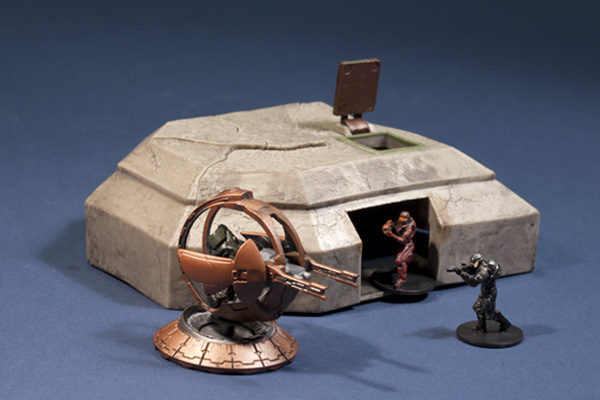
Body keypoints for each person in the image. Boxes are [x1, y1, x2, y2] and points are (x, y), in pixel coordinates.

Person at [448, 253, 511, 333]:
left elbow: (473, 282)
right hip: (485, 292)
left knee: (490, 314)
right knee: (478, 307)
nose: (472, 264)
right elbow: (472, 269)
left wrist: (461, 273)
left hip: (489, 294)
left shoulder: (484, 272)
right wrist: (462, 269)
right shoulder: (480, 266)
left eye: (474, 262)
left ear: (478, 262)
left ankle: (505, 323)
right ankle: (482, 328)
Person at [382, 211, 416, 288]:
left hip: (407, 245)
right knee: (400, 256)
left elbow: (403, 240)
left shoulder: (409, 229)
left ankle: (402, 280)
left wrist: (391, 235)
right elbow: (393, 223)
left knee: (400, 260)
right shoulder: (400, 222)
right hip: (400, 245)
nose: (401, 221)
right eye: (401, 220)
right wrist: (388, 225)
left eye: (403, 221)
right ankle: (412, 263)